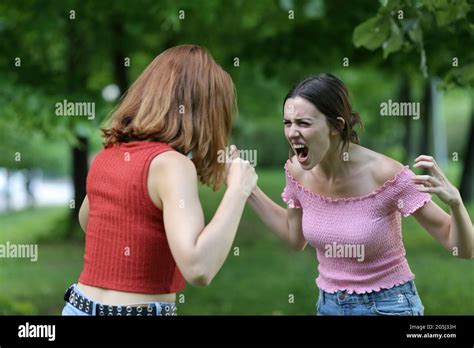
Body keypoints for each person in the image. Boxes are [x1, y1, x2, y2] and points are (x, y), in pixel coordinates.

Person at [244, 73, 473, 315]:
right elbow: (295, 237)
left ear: (336, 126)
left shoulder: (386, 175)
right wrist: (247, 188)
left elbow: (461, 248)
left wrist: (456, 203)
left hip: (388, 306)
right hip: (328, 306)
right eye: (287, 123)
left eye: (304, 123)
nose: (292, 133)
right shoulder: (296, 172)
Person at [62, 45, 257, 316]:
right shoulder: (173, 166)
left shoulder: (107, 155)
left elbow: (89, 223)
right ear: (204, 112)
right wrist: (238, 189)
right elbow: (199, 268)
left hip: (77, 307)